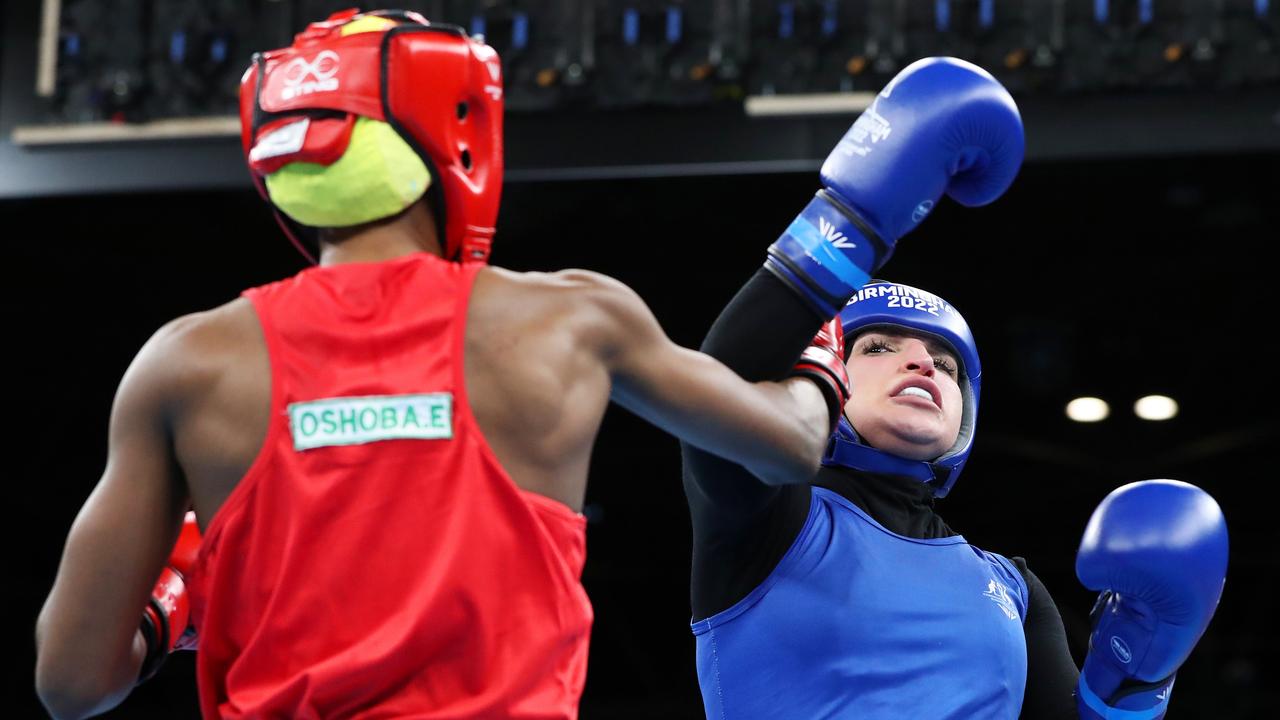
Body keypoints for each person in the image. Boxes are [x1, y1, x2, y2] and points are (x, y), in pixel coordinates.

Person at [33, 10, 851, 719]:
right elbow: (789, 444)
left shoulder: (188, 366)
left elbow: (71, 683)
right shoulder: (569, 319)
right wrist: (819, 346)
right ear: (454, 125)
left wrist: (173, 596)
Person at [680, 57, 1230, 720]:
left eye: (944, 364)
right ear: (827, 373)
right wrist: (854, 215)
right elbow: (722, 390)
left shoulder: (1012, 588)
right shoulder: (767, 522)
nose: (921, 366)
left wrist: (1140, 683)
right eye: (881, 348)